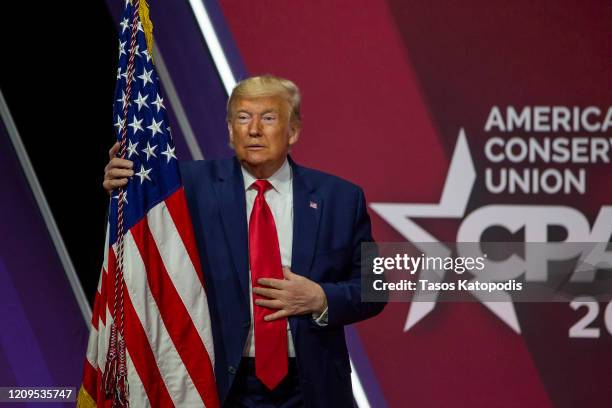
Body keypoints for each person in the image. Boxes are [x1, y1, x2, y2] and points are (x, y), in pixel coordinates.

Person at [103, 75, 385, 407]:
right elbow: (139, 203)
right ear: (230, 130)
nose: (253, 129)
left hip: (312, 386)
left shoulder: (342, 198)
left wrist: (321, 298)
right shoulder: (185, 186)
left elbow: (375, 286)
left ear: (293, 131)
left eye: (268, 117)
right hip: (221, 385)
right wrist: (121, 182)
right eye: (242, 117)